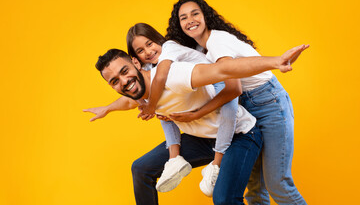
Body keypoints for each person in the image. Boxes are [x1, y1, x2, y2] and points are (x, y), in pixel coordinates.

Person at [94, 44, 308, 205]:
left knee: (223, 199)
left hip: (239, 135)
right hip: (204, 139)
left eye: (124, 72)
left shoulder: (173, 76)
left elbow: (224, 70)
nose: (123, 82)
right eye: (114, 81)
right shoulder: (138, 92)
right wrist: (107, 109)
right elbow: (127, 102)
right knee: (141, 169)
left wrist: (275, 61)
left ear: (136, 63)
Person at [165, 0, 307, 204]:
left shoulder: (217, 40)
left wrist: (276, 62)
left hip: (268, 104)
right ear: (179, 25)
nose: (190, 20)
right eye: (184, 17)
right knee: (255, 189)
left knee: (278, 184)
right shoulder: (197, 50)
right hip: (245, 111)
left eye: (195, 13)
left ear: (205, 16)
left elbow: (232, 86)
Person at [85, 23, 242, 195]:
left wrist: (153, 107)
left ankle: (216, 163)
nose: (148, 52)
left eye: (150, 44)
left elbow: (229, 82)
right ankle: (175, 159)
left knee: (228, 107)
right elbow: (129, 101)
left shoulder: (169, 56)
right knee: (158, 120)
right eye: (140, 50)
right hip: (201, 132)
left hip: (222, 101)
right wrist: (108, 108)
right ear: (136, 58)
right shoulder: (146, 72)